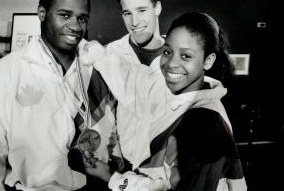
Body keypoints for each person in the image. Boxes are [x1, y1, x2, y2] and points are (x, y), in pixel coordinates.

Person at [85, 12, 246, 191]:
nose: (171, 63)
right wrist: (94, 52)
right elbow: (131, 78)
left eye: (186, 56)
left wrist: (110, 177)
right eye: (167, 52)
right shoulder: (170, 89)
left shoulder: (205, 127)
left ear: (208, 61)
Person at [0, 0, 105, 190]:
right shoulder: (0, 76)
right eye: (65, 15)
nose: (76, 26)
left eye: (82, 18)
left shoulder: (100, 68)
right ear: (41, 13)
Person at [106, 0, 164, 69]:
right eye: (128, 13)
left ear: (157, 8)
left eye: (141, 10)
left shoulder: (179, 50)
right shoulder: (110, 54)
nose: (134, 22)